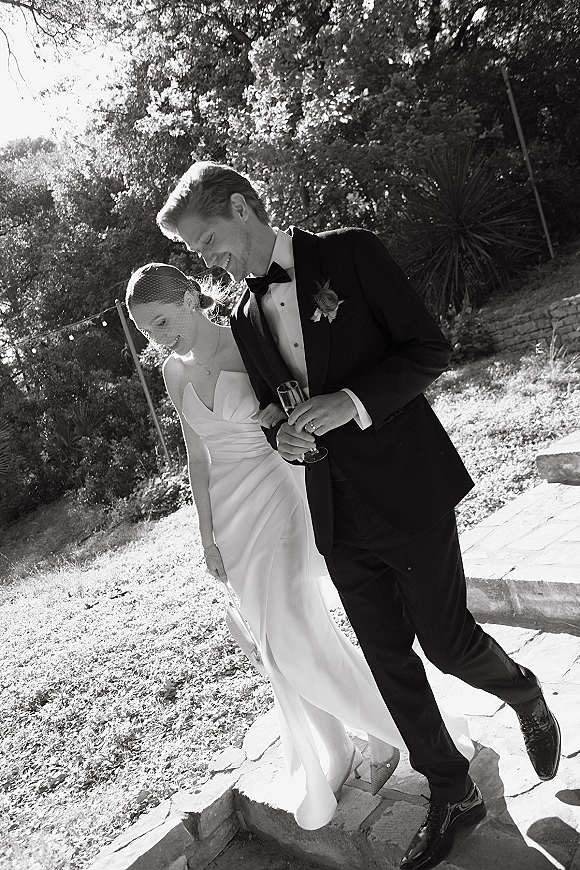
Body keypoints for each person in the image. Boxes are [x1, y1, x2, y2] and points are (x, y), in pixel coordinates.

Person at [155, 162, 561, 870]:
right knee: (387, 658)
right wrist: (283, 431)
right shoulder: (246, 316)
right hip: (330, 509)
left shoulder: (348, 253)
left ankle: (523, 693)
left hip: (406, 487)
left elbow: (428, 348)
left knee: (445, 639)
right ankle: (450, 790)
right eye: (194, 251)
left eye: (207, 238)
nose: (206, 257)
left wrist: (353, 402)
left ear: (244, 207)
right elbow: (279, 406)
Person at [125, 262, 475, 832]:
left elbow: (303, 411)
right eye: (146, 331)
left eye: (162, 321)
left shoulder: (249, 340)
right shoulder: (171, 371)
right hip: (232, 521)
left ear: (190, 297)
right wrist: (206, 535)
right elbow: (196, 458)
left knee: (290, 634)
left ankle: (400, 731)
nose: (158, 338)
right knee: (279, 640)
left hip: (282, 498)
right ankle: (350, 744)